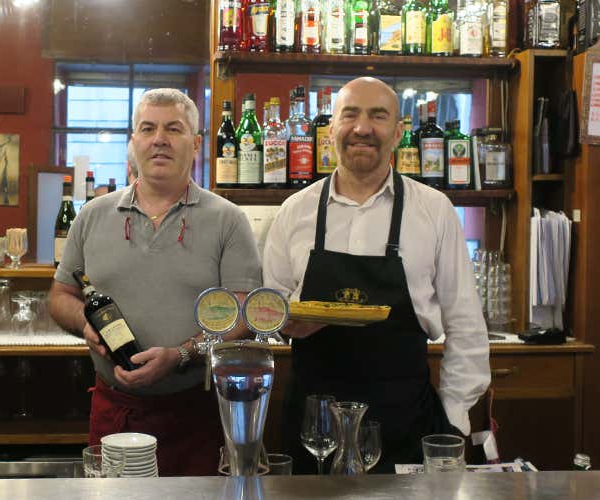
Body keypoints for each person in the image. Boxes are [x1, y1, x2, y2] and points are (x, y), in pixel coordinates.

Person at [263, 77, 490, 474]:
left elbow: (466, 326)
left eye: (378, 116)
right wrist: (283, 322)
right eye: (350, 115)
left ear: (399, 132)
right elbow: (271, 311)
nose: (362, 128)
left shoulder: (434, 210)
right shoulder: (294, 211)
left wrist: (453, 419)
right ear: (331, 129)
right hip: (313, 428)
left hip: (405, 422)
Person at [48, 88, 262, 476]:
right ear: (134, 142)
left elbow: (244, 314)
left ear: (196, 144)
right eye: (148, 129)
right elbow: (61, 296)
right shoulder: (92, 216)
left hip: (196, 413)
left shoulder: (228, 220)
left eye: (173, 129)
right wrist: (85, 323)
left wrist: (181, 355)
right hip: (115, 410)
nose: (159, 139)